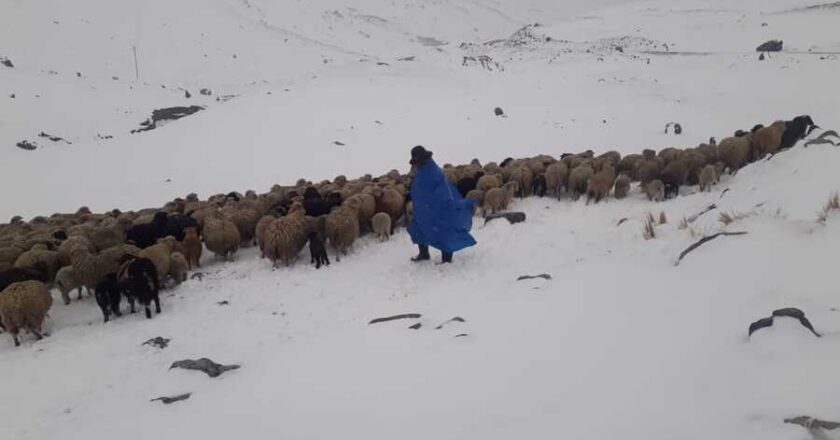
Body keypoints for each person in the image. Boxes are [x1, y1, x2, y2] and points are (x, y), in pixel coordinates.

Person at [406, 146, 476, 263]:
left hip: (438, 208)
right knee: (419, 228)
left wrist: (443, 203)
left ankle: (447, 259)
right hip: (424, 209)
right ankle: (424, 253)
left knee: (443, 229)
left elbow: (441, 190)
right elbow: (419, 188)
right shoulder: (422, 170)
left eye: (418, 161)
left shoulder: (433, 172)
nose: (416, 164)